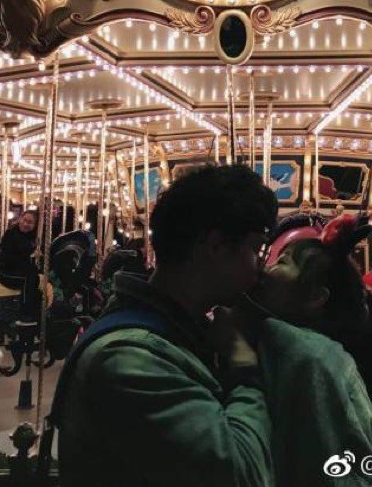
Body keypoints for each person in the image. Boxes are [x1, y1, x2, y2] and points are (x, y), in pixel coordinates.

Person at [56, 165, 278, 486]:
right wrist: (243, 367)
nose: (259, 267)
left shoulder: (174, 333)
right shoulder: (130, 359)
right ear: (215, 246)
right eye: (255, 249)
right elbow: (241, 474)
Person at [249, 213, 372, 483]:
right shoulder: (292, 351)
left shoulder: (311, 361)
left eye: (281, 262)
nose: (265, 270)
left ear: (316, 297)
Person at [0, 209, 40, 320]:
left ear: (34, 225)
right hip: (6, 271)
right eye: (24, 220)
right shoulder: (11, 234)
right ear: (20, 219)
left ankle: (36, 312)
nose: (26, 224)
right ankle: (25, 313)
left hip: (19, 270)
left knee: (35, 278)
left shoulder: (32, 238)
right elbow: (8, 258)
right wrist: (29, 257)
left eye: (30, 222)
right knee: (29, 278)